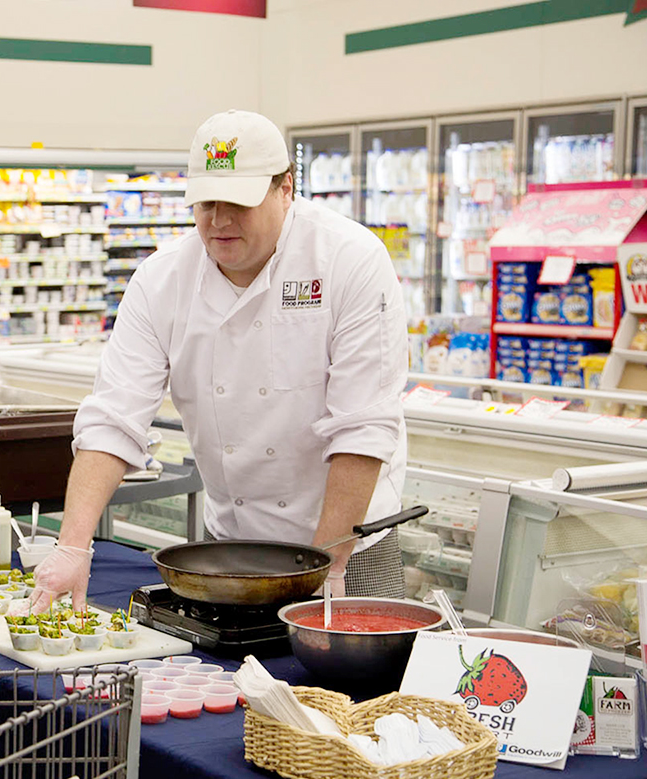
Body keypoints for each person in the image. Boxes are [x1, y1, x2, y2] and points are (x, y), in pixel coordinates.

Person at [29, 110, 409, 612]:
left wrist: (328, 566)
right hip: (229, 547)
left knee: (354, 690)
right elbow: (113, 420)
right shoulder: (161, 280)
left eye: (239, 202)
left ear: (285, 188)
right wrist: (72, 547)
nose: (219, 220)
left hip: (350, 549)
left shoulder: (348, 260)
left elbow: (362, 427)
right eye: (206, 202)